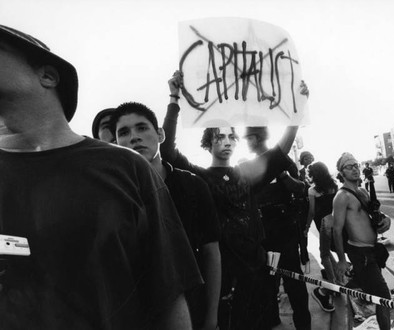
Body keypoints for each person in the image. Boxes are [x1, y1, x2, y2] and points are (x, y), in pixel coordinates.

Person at [0, 25, 201, 329]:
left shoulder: (127, 169)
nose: (134, 137)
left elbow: (168, 295)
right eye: (124, 132)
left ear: (48, 76)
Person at [160, 70, 308, 330]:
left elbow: (279, 151)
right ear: (208, 143)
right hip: (224, 276)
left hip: (258, 270)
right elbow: (168, 151)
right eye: (219, 137)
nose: (226, 142)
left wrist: (297, 112)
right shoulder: (200, 177)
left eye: (231, 136)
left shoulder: (247, 175)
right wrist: (174, 99)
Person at [111, 101, 222, 330]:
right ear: (116, 143)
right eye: (124, 132)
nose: (134, 137)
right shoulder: (112, 194)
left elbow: (212, 253)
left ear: (160, 134)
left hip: (192, 309)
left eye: (142, 128)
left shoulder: (193, 186)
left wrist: (212, 317)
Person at [244, 126, 311, 330]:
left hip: (285, 234)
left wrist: (282, 175)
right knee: (265, 287)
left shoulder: (282, 160)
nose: (246, 142)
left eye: (248, 138)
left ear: (256, 138)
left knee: (295, 285)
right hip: (262, 235)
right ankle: (271, 321)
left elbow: (301, 189)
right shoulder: (248, 166)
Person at [332, 153, 392, 330]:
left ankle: (330, 289)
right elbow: (336, 230)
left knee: (366, 284)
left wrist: (385, 219)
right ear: (341, 172)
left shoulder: (363, 191)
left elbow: (375, 215)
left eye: (355, 165)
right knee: (383, 297)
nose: (355, 169)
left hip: (373, 250)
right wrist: (342, 260)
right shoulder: (341, 197)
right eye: (349, 167)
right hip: (360, 253)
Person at [304, 162, 339, 313]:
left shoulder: (312, 191)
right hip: (334, 221)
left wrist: (306, 227)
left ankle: (333, 284)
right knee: (328, 251)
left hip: (323, 223)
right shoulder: (334, 186)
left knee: (323, 253)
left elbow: (311, 212)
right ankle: (337, 277)